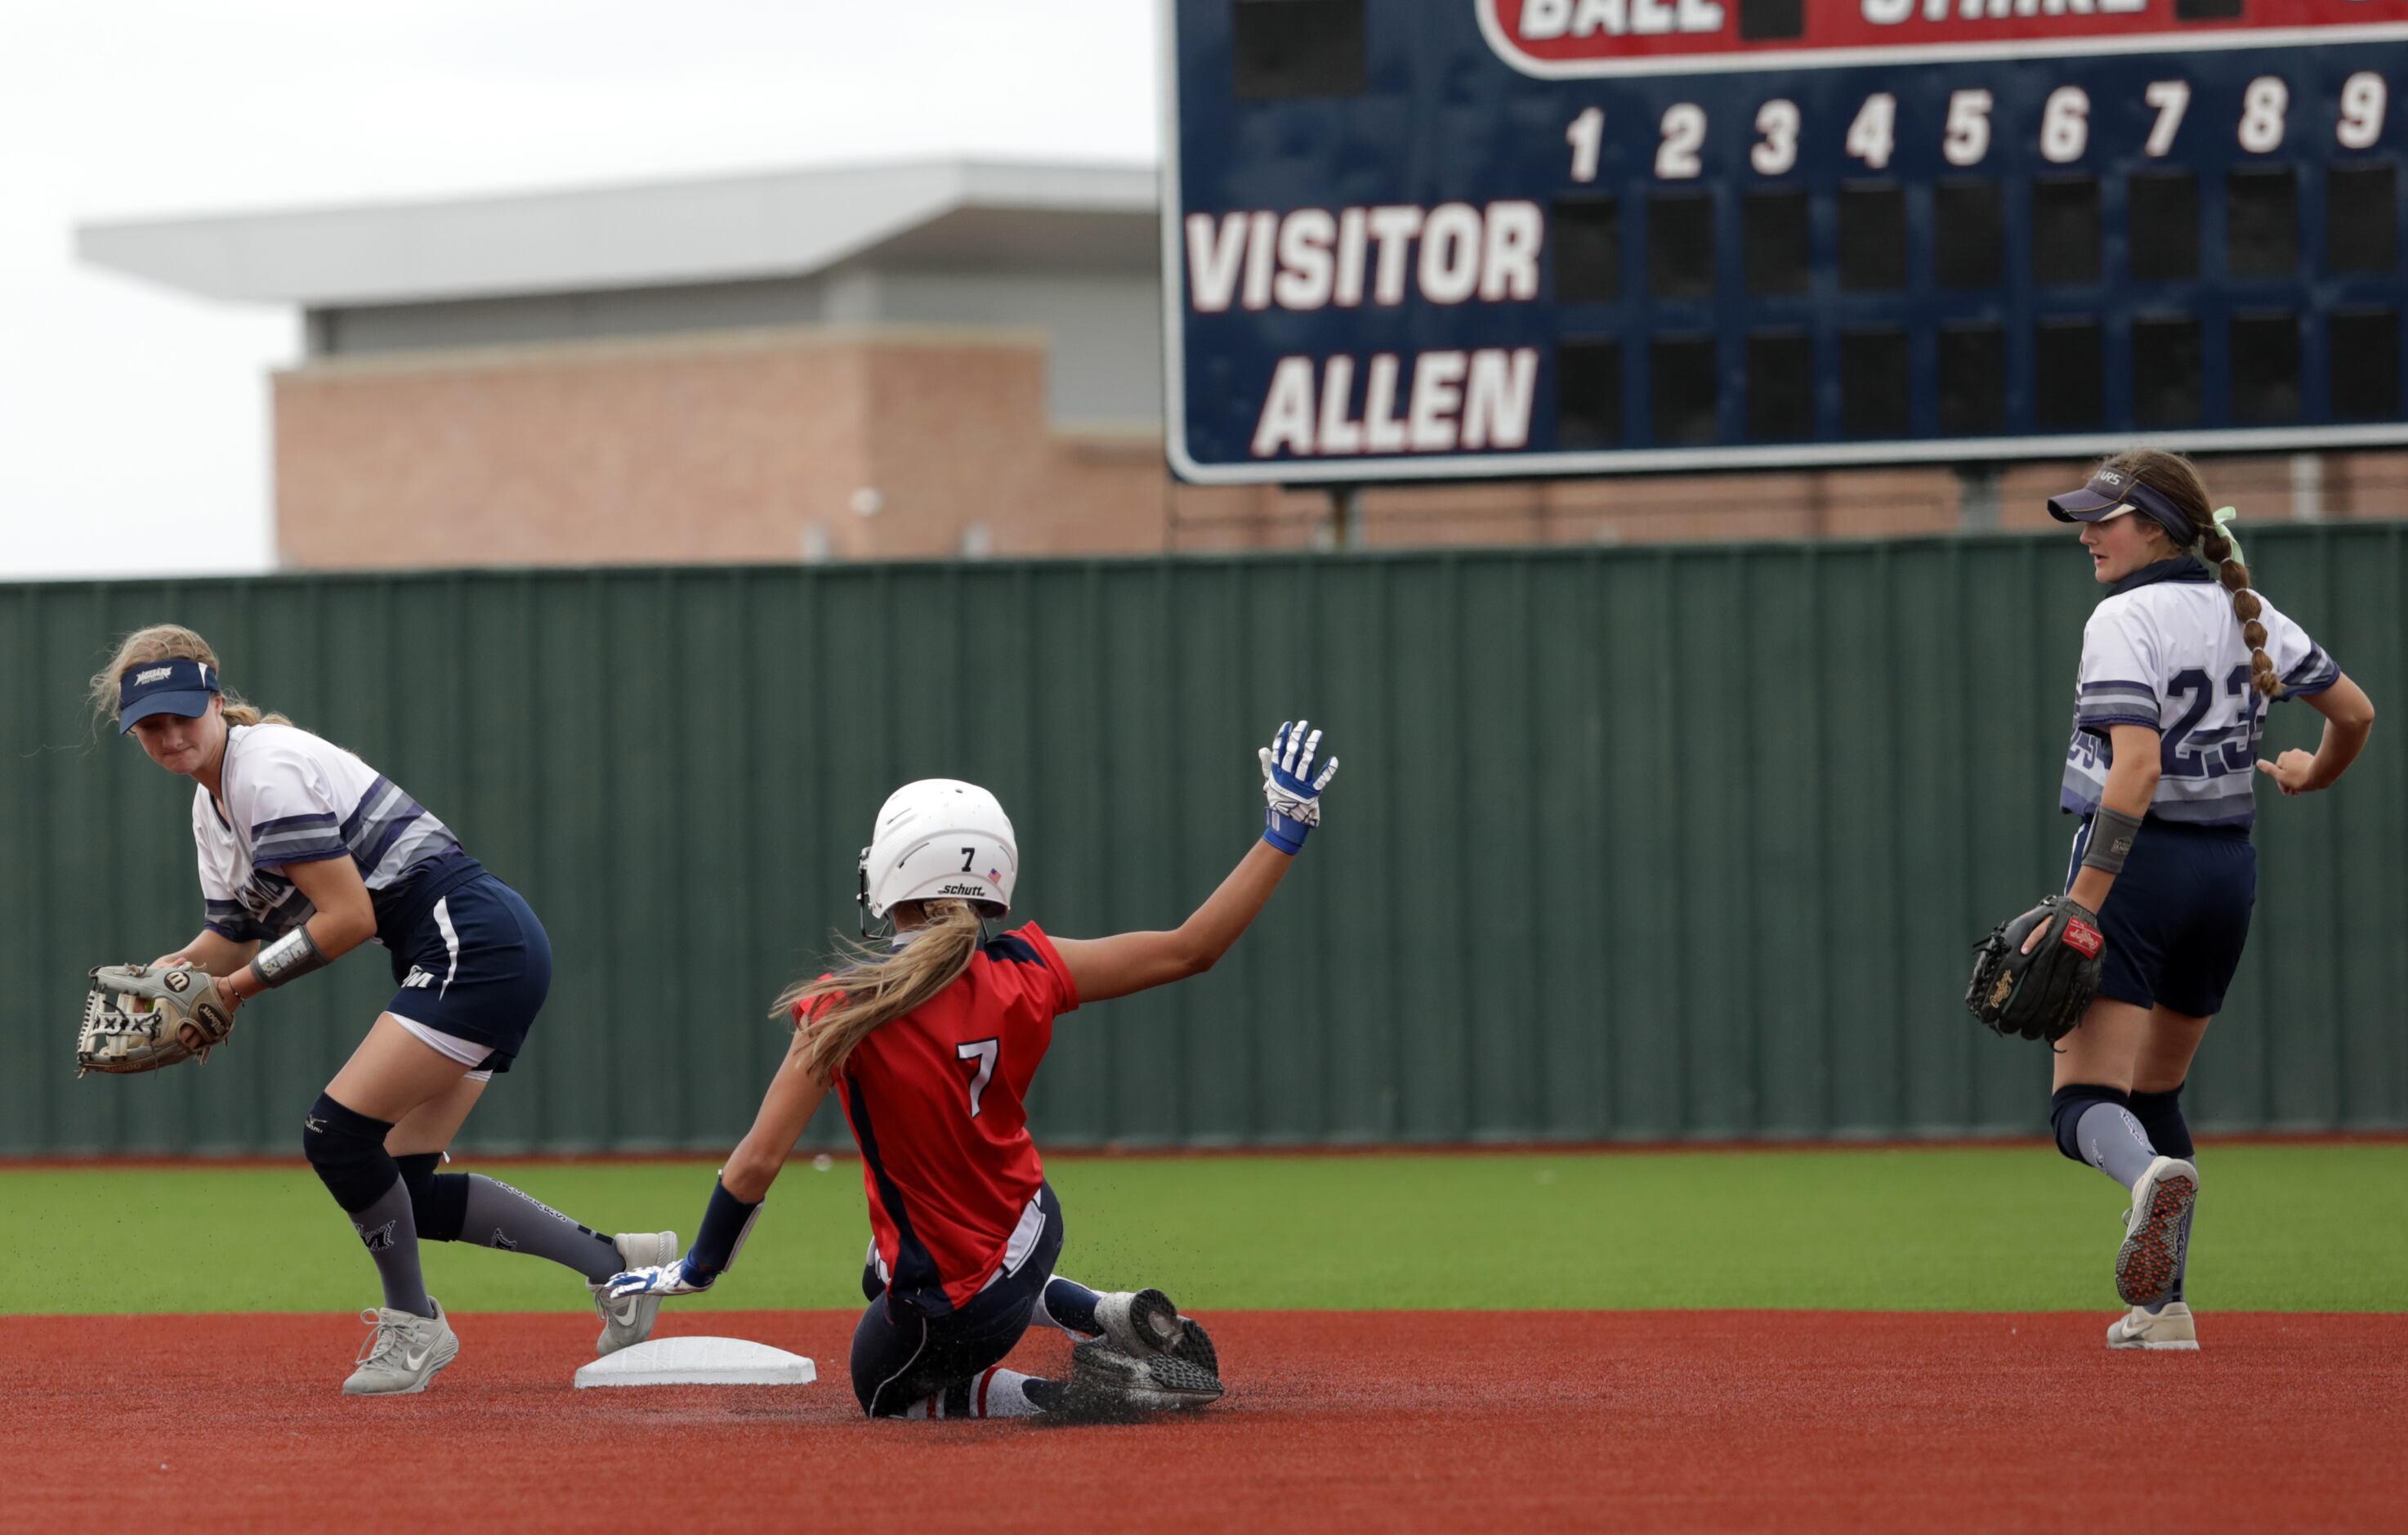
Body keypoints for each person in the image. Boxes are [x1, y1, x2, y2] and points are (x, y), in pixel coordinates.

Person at [605, 720, 1341, 1418]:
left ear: (896, 871)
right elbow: (1192, 948)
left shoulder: (844, 1008)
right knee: (879, 1268)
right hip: (1036, 1227)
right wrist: (1283, 832)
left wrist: (697, 1268)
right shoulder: (1031, 964)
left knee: (884, 1393)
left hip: (960, 1303)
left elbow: (755, 1164)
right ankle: (1101, 1314)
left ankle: (1089, 1393)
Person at [92, 624, 680, 1394]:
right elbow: (230, 937)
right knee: (405, 1185)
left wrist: (229, 995)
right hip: (466, 946)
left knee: (336, 1136)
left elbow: (347, 920)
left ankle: (415, 1323)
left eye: (180, 714)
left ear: (213, 697)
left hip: (471, 941)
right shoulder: (213, 808)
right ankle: (618, 1265)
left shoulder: (264, 770)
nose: (169, 736)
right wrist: (168, 975)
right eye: (149, 726)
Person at [2040, 451, 2374, 1351]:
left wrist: (2082, 903)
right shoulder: (2246, 610)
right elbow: (2355, 714)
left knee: (2083, 1108)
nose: (2086, 535)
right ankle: (2164, 1310)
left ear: (2153, 526)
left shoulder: (2124, 617)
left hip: (2138, 871)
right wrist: (2310, 774)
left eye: (2102, 519)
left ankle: (2148, 1179)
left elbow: (2136, 769)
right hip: (2225, 875)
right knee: (2157, 1087)